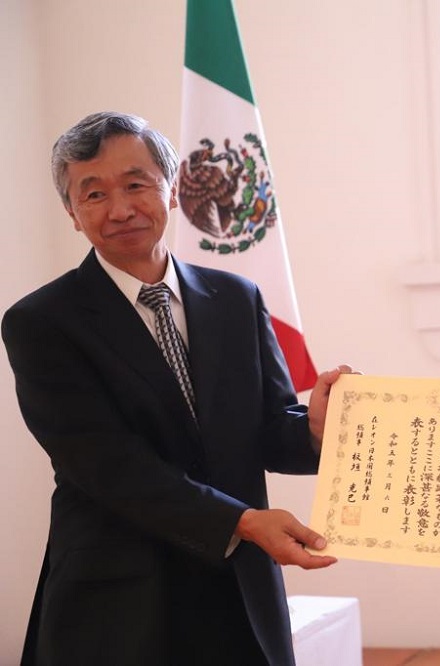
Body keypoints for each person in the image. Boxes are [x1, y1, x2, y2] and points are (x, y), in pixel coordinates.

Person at [3, 111, 350, 665]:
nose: (119, 209)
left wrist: (312, 429)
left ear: (170, 189)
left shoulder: (236, 298)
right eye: (92, 194)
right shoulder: (41, 322)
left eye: (136, 184)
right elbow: (108, 467)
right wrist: (240, 522)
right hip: (118, 595)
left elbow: (267, 430)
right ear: (71, 212)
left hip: (241, 589)